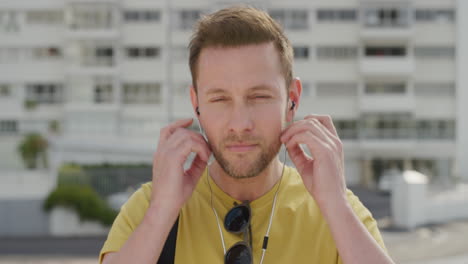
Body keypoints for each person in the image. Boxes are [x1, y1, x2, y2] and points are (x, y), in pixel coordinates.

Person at [100, 6, 395, 264]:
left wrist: (335, 207)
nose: (240, 124)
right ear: (196, 104)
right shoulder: (151, 205)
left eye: (259, 96)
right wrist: (162, 212)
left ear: (292, 99)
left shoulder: (339, 209)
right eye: (219, 99)